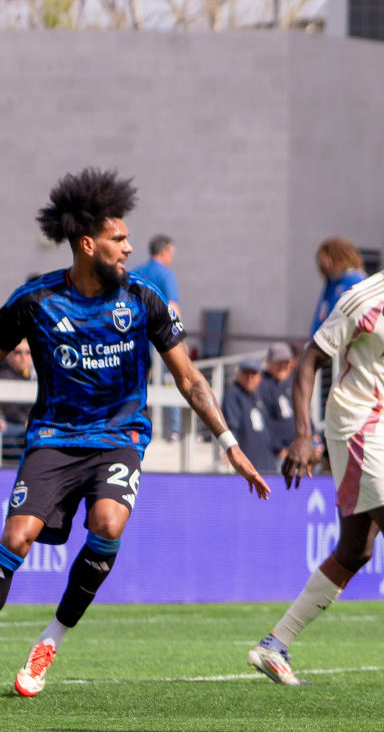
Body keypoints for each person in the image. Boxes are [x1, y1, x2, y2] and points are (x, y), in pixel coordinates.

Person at [0, 167, 269, 697]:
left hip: (119, 439)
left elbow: (189, 378)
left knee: (108, 522)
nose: (127, 248)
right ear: (86, 244)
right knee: (15, 539)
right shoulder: (36, 301)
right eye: (117, 238)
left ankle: (51, 639)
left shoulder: (142, 300)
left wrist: (230, 446)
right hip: (54, 439)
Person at [248, 204, 384, 688]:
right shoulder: (365, 299)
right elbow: (310, 360)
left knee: (356, 549)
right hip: (358, 424)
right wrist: (303, 434)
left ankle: (274, 645)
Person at [133, 234, 182, 438]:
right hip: (159, 338)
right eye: (172, 251)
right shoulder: (166, 275)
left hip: (136, 337)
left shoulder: (136, 273)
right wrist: (178, 337)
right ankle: (174, 429)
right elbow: (172, 307)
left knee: (139, 382)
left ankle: (137, 424)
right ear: (164, 251)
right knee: (172, 378)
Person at [221, 356, 277, 473]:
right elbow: (231, 426)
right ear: (239, 374)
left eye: (253, 374)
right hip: (245, 463)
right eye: (246, 373)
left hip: (266, 462)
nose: (250, 378)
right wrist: (230, 450)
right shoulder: (233, 394)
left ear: (259, 377)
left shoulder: (259, 395)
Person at [312, 238, 366, 333]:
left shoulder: (355, 279)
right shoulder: (332, 281)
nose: (323, 262)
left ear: (339, 255)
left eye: (326, 256)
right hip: (323, 340)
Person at [258, 341, 296, 459]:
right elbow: (264, 421)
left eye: (286, 362)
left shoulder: (290, 382)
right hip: (278, 454)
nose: (283, 366)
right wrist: (278, 447)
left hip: (297, 449)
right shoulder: (262, 384)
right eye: (279, 362)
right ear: (269, 361)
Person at [0, 342, 34, 460]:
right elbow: (11, 410)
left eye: (28, 353)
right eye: (18, 352)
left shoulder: (36, 377)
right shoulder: (3, 376)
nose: (23, 357)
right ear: (8, 355)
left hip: (28, 426)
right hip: (10, 427)